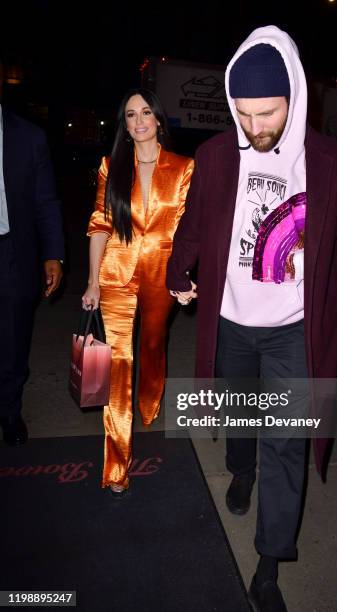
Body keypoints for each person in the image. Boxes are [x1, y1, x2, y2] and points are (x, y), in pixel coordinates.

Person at [166, 26, 337, 612]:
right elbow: (194, 222)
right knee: (239, 417)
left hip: (295, 329)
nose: (255, 127)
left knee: (287, 443)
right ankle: (240, 466)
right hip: (232, 320)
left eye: (267, 113)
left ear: (295, 96)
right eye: (243, 114)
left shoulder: (332, 166)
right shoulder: (216, 156)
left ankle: (268, 565)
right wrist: (176, 269)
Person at [82, 88, 194, 497]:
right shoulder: (112, 166)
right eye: (130, 115)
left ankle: (151, 398)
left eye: (146, 112)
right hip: (116, 273)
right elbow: (99, 225)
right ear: (125, 126)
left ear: (158, 119)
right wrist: (93, 281)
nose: (139, 120)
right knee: (118, 365)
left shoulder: (183, 167)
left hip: (162, 274)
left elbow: (188, 231)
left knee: (152, 344)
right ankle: (116, 465)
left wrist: (183, 276)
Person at [0, 56, 64, 446]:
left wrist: (53, 253)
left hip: (13, 254)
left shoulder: (29, 137)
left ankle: (9, 410)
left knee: (12, 340)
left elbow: (46, 201)